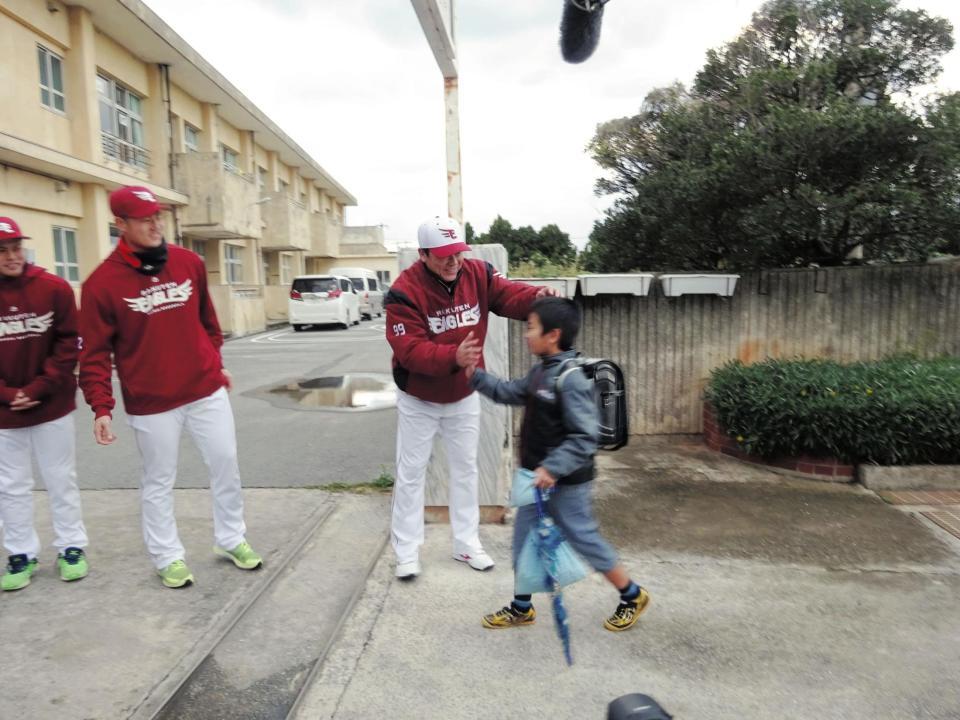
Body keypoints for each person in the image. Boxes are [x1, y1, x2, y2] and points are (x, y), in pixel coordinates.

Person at [79, 186, 261, 589]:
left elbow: (208, 323)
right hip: (152, 402)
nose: (155, 224)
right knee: (159, 479)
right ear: (120, 224)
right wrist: (101, 407)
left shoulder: (188, 262)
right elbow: (93, 354)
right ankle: (168, 556)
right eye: (144, 218)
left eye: (157, 215)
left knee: (226, 463)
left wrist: (214, 363)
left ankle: (231, 538)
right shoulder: (101, 284)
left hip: (204, 389)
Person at [385, 216, 557, 580]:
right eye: (444, 255)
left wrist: (537, 299)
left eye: (458, 253)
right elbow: (408, 349)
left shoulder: (478, 272)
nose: (453, 262)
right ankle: (406, 550)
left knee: (466, 469)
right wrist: (452, 356)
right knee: (411, 472)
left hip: (464, 392)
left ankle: (466, 543)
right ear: (423, 254)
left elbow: (509, 295)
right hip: (419, 397)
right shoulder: (404, 291)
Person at [466, 296, 650, 631]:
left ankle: (632, 595)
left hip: (566, 482)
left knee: (584, 539)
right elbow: (508, 392)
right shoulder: (540, 373)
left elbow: (585, 436)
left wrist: (552, 468)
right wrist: (473, 375)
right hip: (536, 481)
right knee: (523, 542)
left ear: (553, 335)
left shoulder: (572, 378)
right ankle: (522, 607)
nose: (526, 334)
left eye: (531, 327)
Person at [0, 216, 89, 591]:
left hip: (51, 404)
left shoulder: (53, 288)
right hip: (3, 411)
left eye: (15, 247)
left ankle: (71, 547)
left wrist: (38, 388)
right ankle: (20, 553)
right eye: (2, 251)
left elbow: (70, 343)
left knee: (60, 479)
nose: (11, 256)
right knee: (10, 485)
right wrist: (7, 395)